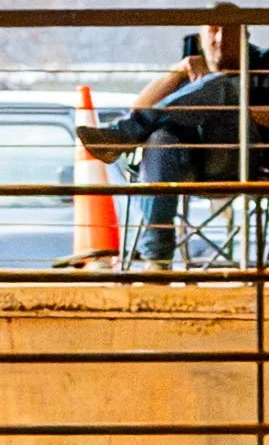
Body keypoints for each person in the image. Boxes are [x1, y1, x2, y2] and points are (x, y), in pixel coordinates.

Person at [77, 15, 269, 266]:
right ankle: (157, 260)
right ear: (201, 34)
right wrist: (178, 72)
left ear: (245, 36)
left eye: (230, 32)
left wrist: (232, 105)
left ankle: (123, 134)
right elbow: (139, 106)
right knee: (159, 138)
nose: (220, 39)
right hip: (184, 163)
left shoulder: (263, 62)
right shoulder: (190, 58)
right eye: (213, 30)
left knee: (225, 86)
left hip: (241, 159)